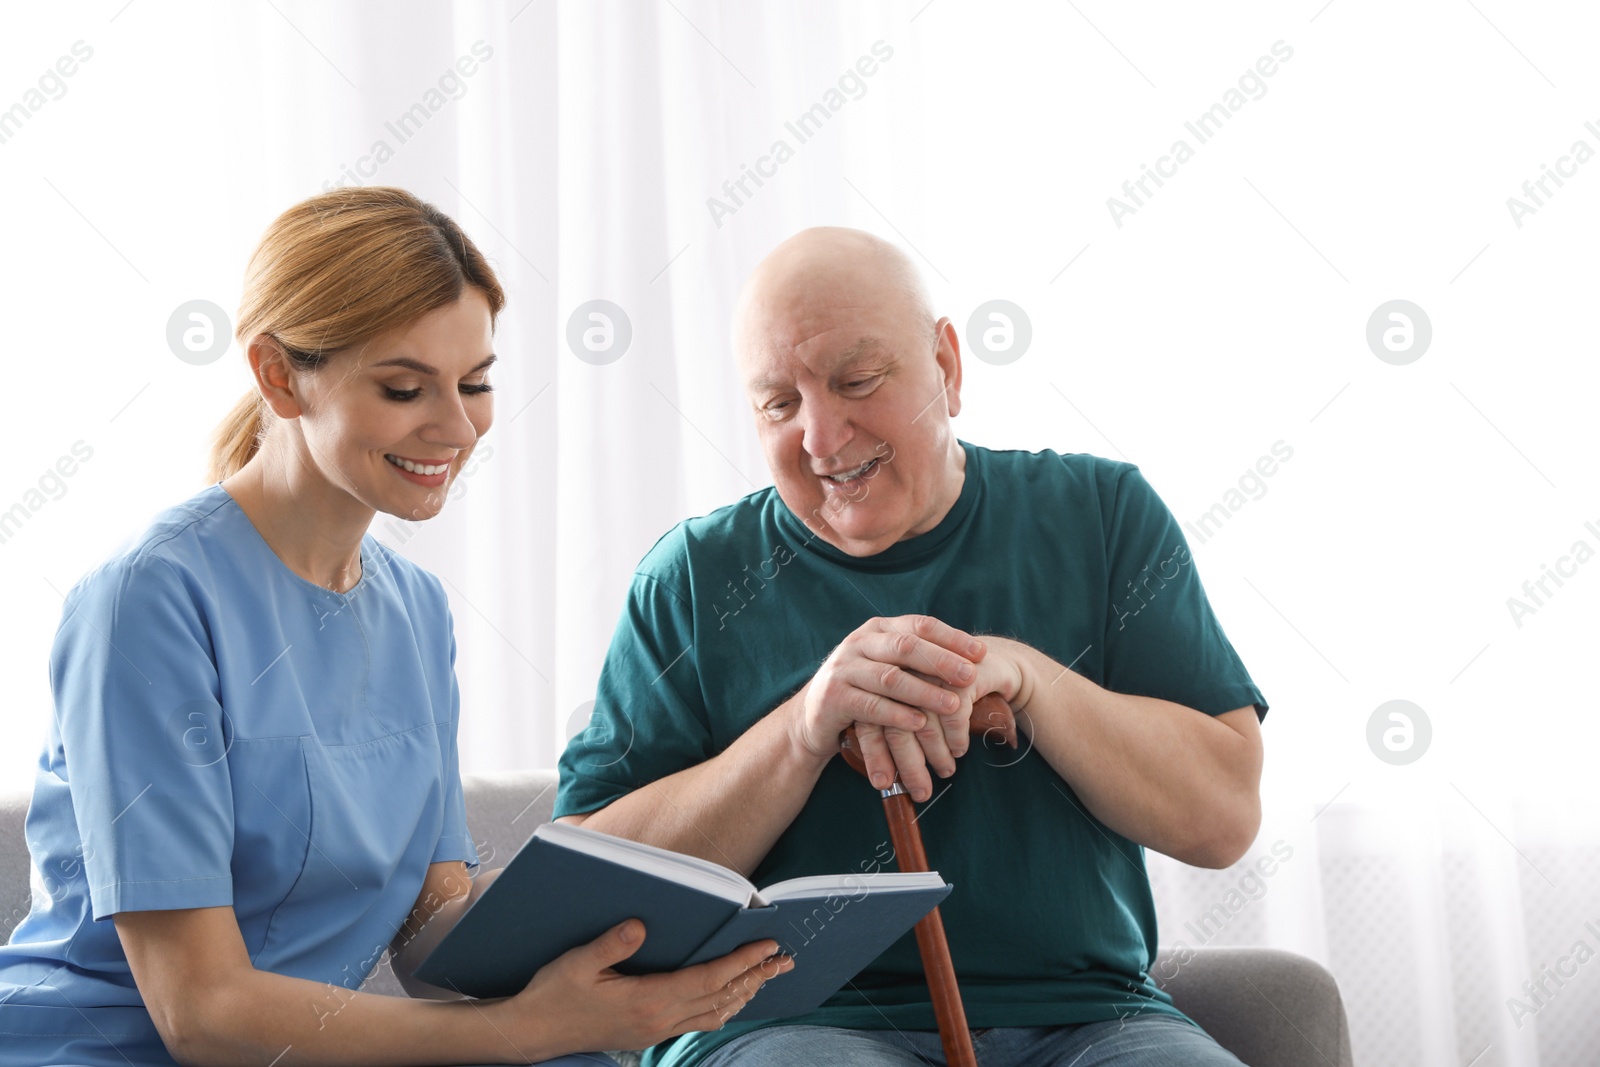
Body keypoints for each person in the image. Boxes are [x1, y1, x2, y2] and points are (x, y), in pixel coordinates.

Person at [0, 187, 787, 1067]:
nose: (456, 426)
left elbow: (428, 928)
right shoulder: (147, 601)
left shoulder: (415, 609)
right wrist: (526, 1027)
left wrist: (638, 933)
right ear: (276, 374)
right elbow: (202, 1012)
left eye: (477, 382)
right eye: (405, 387)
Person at [553, 227, 1268, 1067]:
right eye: (779, 404)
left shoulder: (1104, 515)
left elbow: (1224, 820)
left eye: (857, 380)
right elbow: (590, 895)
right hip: (783, 1024)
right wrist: (804, 727)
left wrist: (1029, 677)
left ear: (948, 366)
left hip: (1095, 1019)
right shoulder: (692, 578)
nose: (821, 437)